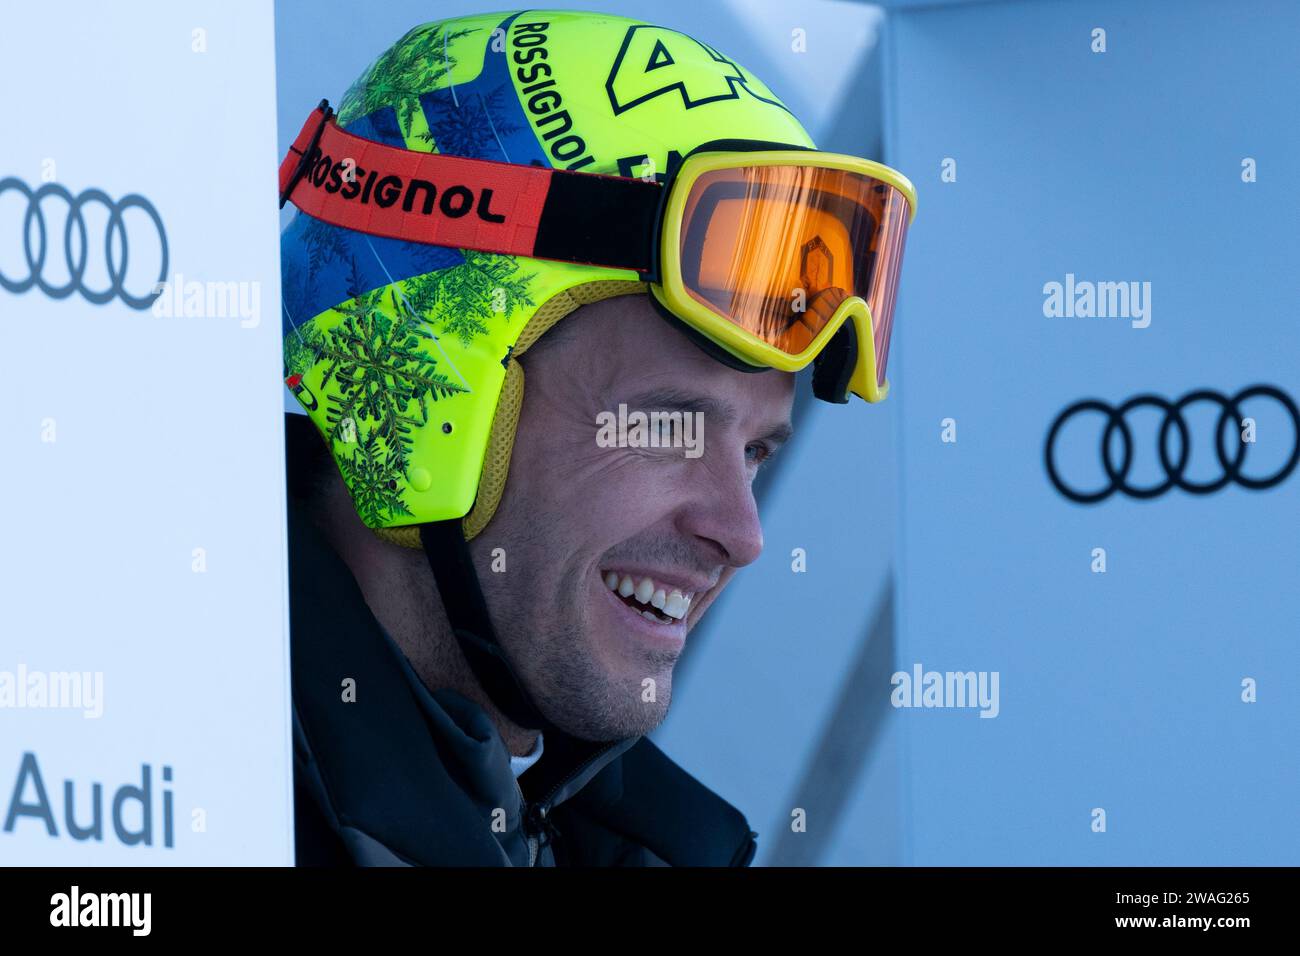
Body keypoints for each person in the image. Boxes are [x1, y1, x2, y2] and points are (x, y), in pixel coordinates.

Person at [278, 8, 915, 866]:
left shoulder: (642, 844)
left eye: (758, 451)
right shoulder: (168, 773)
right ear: (430, 394)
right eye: (668, 427)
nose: (742, 533)